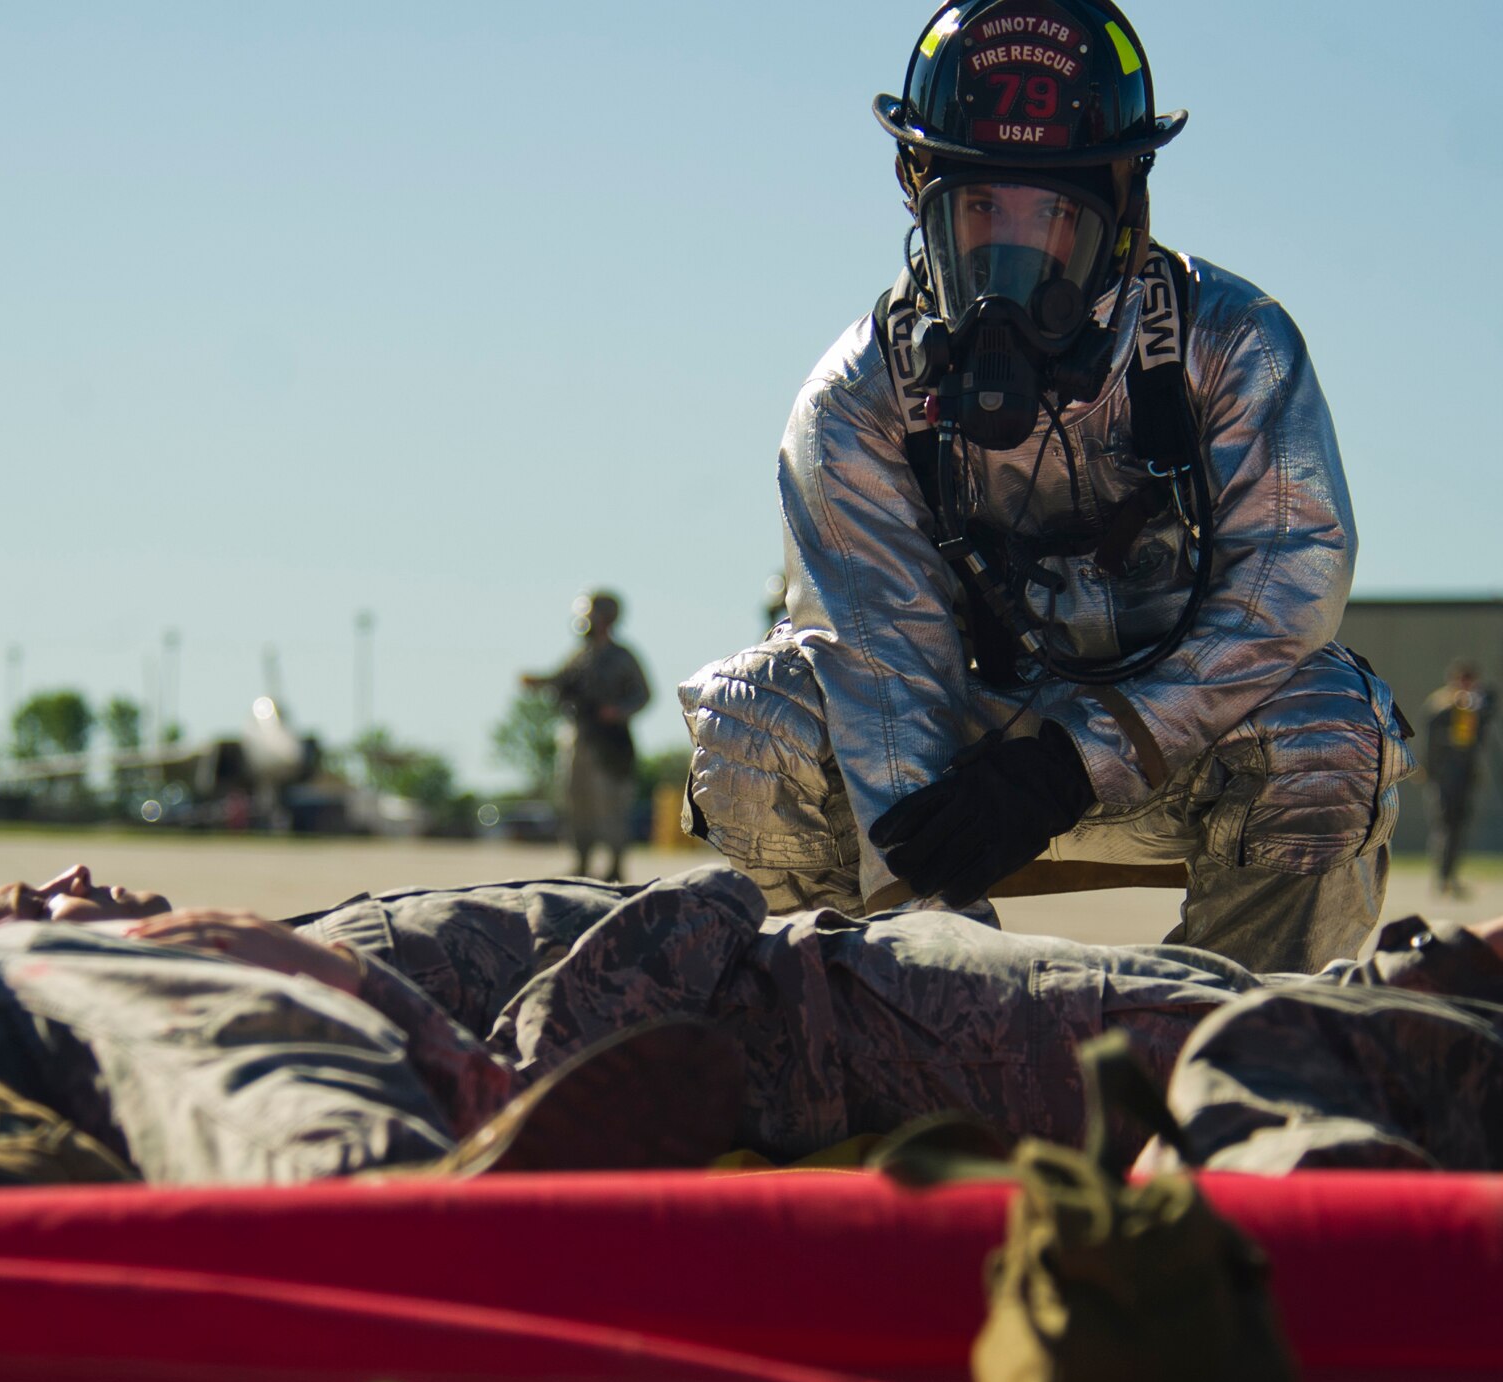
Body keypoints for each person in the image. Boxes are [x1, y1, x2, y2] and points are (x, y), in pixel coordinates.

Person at [0, 808, 1503, 1210]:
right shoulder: (7, 952)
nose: (79, 882)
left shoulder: (289, 919)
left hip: (689, 985)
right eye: (43, 880)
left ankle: (1393, 1114)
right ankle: (410, 1213)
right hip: (27, 1061)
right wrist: (25, 933)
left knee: (1123, 1009)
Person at [679, 0, 1410, 976]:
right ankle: (855, 1025)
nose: (1010, 258)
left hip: (1163, 748)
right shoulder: (856, 397)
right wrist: (943, 973)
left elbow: (1287, 588)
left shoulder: (1229, 342)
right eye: (980, 210)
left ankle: (1233, 1035)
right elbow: (876, 670)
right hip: (956, 757)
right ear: (917, 196)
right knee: (751, 722)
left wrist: (1075, 762)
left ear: (1122, 208)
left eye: (1052, 216)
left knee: (1327, 728)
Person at [520, 592, 651, 881]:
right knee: (575, 800)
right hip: (578, 737)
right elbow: (560, 680)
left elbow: (644, 694)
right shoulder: (580, 657)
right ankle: (581, 863)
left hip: (609, 743)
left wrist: (618, 711)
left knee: (610, 804)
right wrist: (538, 682)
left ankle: (615, 866)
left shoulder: (622, 657)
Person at [1423, 660, 1494, 897]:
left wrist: (1473, 702)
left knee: (1459, 826)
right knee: (1444, 825)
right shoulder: (1441, 705)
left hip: (1466, 777)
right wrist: (1429, 772)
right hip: (1444, 777)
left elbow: (1489, 713)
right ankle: (1443, 875)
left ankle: (1450, 875)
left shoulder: (1475, 708)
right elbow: (1430, 740)